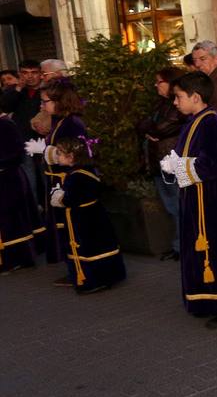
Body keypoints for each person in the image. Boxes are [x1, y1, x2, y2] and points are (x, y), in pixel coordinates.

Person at [162, 71, 217, 326]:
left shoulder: (210, 121)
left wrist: (182, 166)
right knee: (202, 249)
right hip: (195, 195)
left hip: (210, 199)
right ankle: (208, 299)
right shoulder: (194, 121)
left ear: (196, 97)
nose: (175, 103)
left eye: (178, 97)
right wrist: (175, 163)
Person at [24, 78, 87, 271]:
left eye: (46, 102)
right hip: (59, 180)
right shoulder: (60, 121)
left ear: (59, 101)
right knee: (64, 228)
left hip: (69, 181)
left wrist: (46, 151)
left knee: (74, 228)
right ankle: (74, 267)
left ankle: (82, 269)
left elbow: (74, 153)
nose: (42, 106)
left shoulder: (71, 122)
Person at [48, 136, 126, 294]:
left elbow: (72, 198)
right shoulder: (87, 170)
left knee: (90, 248)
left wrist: (59, 197)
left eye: (60, 154)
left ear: (71, 157)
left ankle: (95, 280)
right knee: (100, 245)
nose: (57, 157)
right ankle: (109, 277)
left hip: (84, 220)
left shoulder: (76, 176)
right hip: (95, 216)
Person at [135, 67, 186, 261]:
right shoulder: (159, 103)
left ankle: (184, 245)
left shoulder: (177, 105)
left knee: (179, 205)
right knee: (170, 207)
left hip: (171, 162)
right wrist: (150, 131)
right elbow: (141, 125)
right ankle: (178, 245)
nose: (156, 85)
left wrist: (152, 130)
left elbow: (160, 129)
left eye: (160, 81)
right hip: (158, 163)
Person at [0, 114, 42, 273]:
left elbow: (17, 153)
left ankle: (16, 258)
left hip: (8, 179)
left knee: (12, 221)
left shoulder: (6, 125)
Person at [0, 59, 43, 198]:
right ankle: (34, 212)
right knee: (29, 181)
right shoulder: (15, 90)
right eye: (25, 73)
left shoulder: (48, 89)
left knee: (46, 177)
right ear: (20, 74)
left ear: (40, 74)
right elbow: (5, 107)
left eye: (33, 73)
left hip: (43, 141)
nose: (29, 76)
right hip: (23, 141)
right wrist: (18, 88)